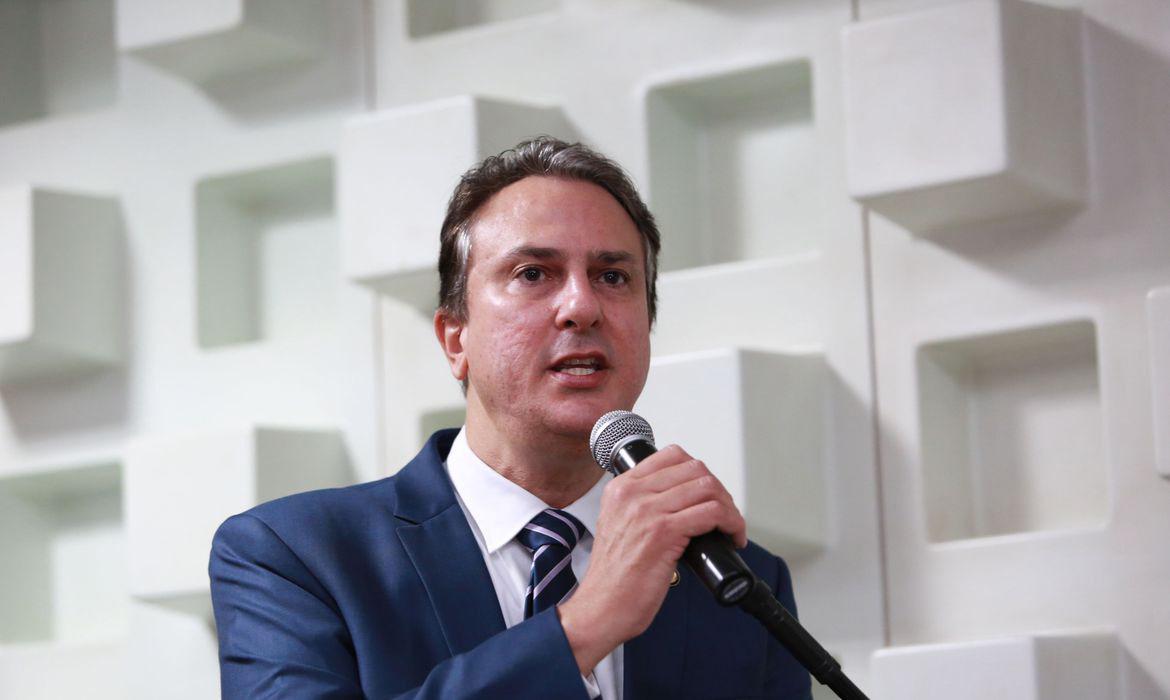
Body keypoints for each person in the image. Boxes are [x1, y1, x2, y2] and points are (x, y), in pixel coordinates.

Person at [209, 137, 813, 699]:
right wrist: (586, 624)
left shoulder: (736, 581)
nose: (582, 305)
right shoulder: (292, 556)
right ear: (456, 339)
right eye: (533, 274)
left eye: (612, 276)